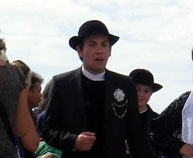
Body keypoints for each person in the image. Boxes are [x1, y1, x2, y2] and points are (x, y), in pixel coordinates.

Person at [39, 20, 152, 158]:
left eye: (104, 45)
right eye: (92, 45)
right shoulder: (62, 83)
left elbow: (136, 134)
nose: (100, 51)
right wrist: (73, 141)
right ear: (79, 50)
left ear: (110, 51)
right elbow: (48, 130)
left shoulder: (124, 84)